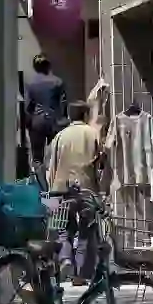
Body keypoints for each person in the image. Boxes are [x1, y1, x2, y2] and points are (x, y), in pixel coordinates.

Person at [46, 101, 101, 284]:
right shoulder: (92, 133)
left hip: (61, 188)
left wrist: (52, 188)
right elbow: (101, 163)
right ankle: (80, 275)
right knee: (86, 231)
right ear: (86, 115)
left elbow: (51, 165)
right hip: (87, 188)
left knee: (64, 229)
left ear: (70, 116)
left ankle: (65, 258)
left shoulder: (60, 136)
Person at [25, 54, 67, 164]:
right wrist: (64, 119)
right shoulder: (58, 82)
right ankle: (52, 177)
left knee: (37, 156)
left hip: (37, 121)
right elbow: (63, 104)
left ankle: (40, 179)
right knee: (55, 154)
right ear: (48, 66)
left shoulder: (30, 84)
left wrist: (28, 123)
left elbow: (28, 106)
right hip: (54, 121)